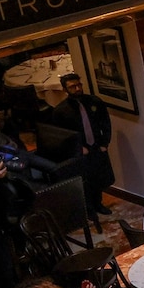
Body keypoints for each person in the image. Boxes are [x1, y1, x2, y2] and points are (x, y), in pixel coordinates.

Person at [50, 73, 114, 215]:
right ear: (65, 89)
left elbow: (105, 122)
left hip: (97, 146)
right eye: (73, 87)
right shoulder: (61, 111)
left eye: (79, 85)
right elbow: (62, 135)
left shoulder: (94, 102)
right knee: (85, 179)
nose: (77, 88)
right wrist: (78, 147)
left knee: (99, 177)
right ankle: (89, 208)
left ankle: (98, 204)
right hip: (80, 151)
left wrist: (105, 143)